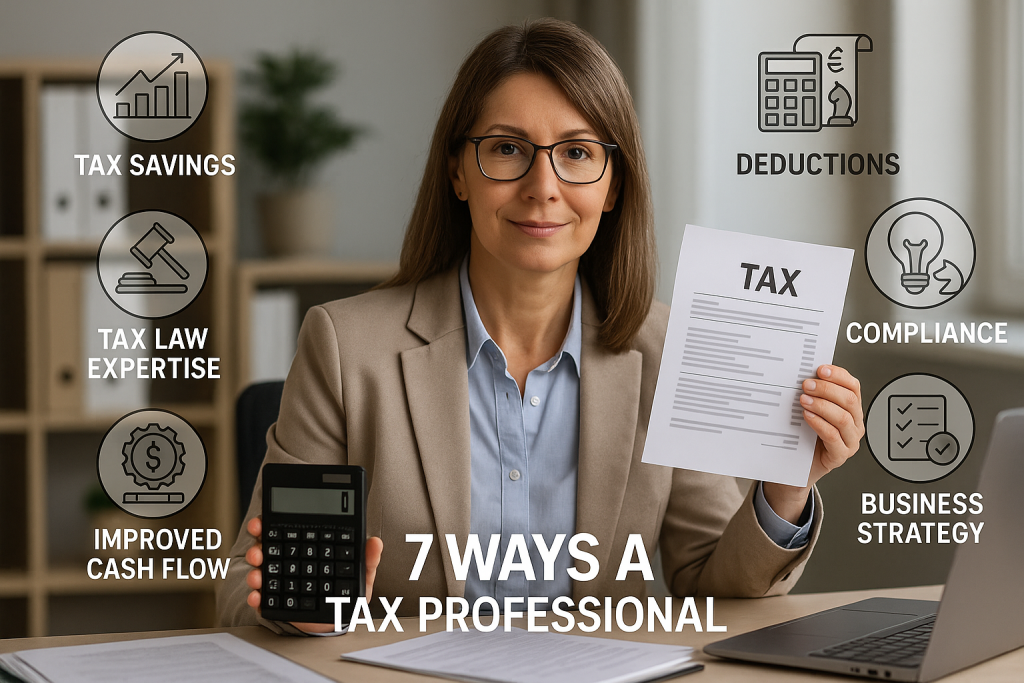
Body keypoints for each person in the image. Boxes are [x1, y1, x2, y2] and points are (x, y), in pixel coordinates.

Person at [216, 18, 864, 635]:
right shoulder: (342, 347)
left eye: (577, 153)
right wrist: (306, 609)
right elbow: (242, 602)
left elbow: (710, 584)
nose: (543, 186)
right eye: (506, 149)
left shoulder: (667, 351)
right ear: (457, 171)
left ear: (612, 186)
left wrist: (785, 488)